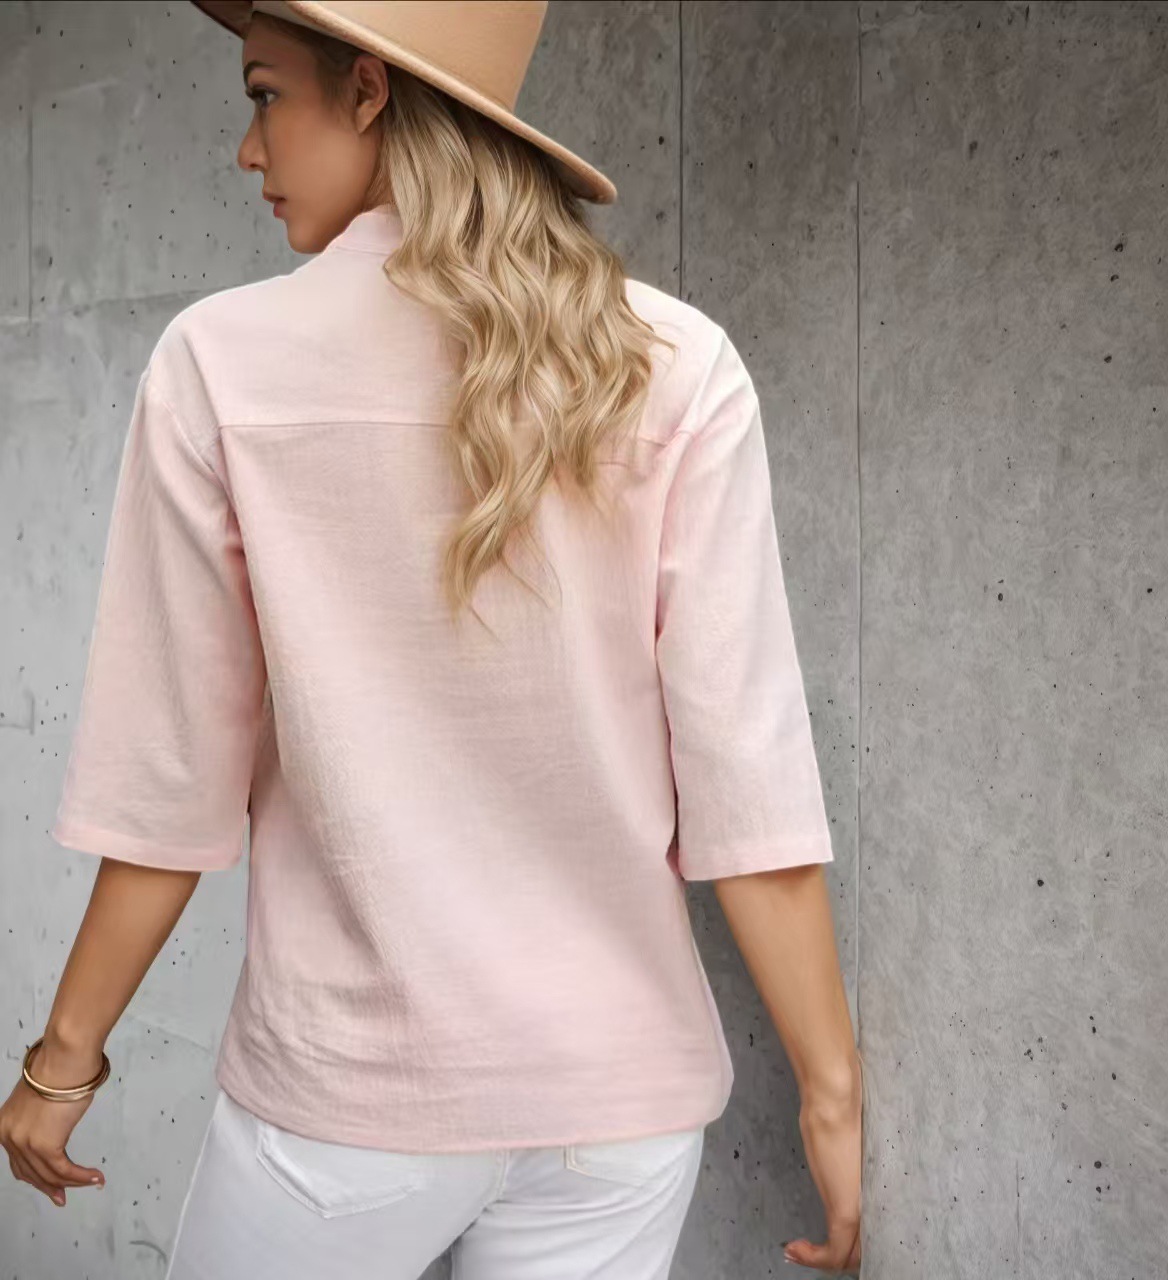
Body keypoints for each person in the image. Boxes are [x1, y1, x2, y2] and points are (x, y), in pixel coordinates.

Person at [0, 2, 864, 1276]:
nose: (247, 149)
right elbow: (747, 777)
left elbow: (169, 778)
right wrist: (828, 1097)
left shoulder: (220, 365)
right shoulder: (680, 365)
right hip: (617, 1112)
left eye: (262, 94)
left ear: (367, 91)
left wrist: (61, 1061)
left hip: (347, 1107)